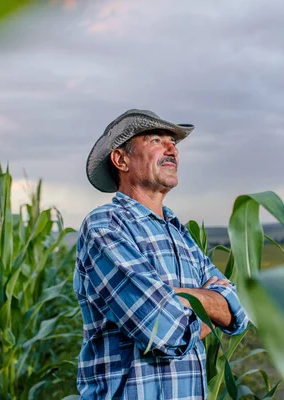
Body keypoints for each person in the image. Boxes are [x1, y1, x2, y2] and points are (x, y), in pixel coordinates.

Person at [73, 109, 249, 399]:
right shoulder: (105, 226)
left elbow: (237, 311)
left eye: (174, 144)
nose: (172, 150)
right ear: (121, 159)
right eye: (156, 140)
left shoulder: (181, 234)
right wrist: (207, 304)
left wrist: (174, 298)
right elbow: (164, 331)